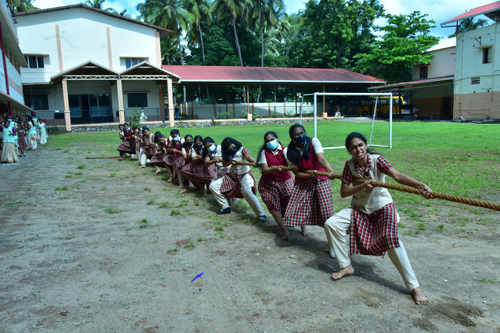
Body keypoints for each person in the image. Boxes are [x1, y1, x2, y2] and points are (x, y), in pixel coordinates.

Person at [323, 132, 431, 305]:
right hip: (359, 208)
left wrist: (422, 186)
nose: (358, 149)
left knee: (391, 240)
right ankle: (346, 265)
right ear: (349, 151)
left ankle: (415, 287)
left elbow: (397, 176)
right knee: (331, 224)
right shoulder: (349, 165)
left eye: (360, 145)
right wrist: (363, 184)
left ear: (365, 145)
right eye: (353, 147)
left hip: (382, 207)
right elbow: (343, 192)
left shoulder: (377, 160)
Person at [284, 124, 335, 244]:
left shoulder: (313, 142)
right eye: (297, 134)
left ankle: (333, 243)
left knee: (326, 213)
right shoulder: (289, 151)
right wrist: (310, 175)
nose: (300, 136)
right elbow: (297, 173)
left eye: (302, 133)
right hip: (303, 182)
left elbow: (321, 159)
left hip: (321, 180)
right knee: (295, 209)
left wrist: (330, 172)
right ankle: (303, 226)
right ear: (292, 137)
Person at [209, 137, 266, 221]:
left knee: (247, 191)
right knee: (213, 186)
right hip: (232, 175)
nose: (232, 149)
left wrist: (253, 161)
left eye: (233, 146)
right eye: (229, 148)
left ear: (235, 144)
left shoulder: (243, 149)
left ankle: (261, 214)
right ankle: (225, 207)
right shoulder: (227, 154)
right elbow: (224, 164)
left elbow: (248, 157)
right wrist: (230, 162)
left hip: (244, 175)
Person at [257, 131, 295, 240]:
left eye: (272, 139)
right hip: (268, 183)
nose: (270, 142)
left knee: (292, 201)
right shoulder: (264, 152)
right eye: (267, 141)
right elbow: (265, 169)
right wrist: (275, 168)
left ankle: (303, 227)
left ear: (277, 139)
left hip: (285, 180)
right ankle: (284, 230)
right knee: (272, 204)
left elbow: (292, 165)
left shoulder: (285, 150)